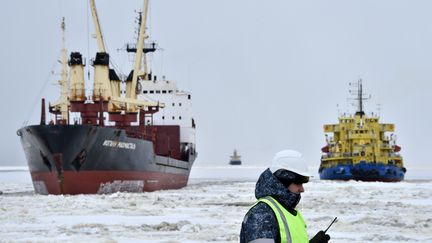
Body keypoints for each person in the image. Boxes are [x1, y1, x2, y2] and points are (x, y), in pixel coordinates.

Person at [240, 149, 331, 243]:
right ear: (282, 181)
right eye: (298, 183)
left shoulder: (289, 213)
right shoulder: (262, 215)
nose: (302, 189)